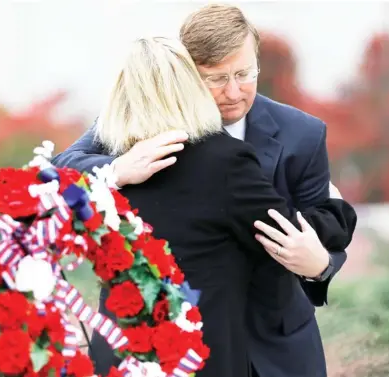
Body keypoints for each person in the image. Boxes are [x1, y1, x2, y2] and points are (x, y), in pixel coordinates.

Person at [52, 5, 350, 377]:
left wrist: (320, 267)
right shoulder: (132, 124)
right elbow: (60, 166)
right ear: (185, 73)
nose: (234, 92)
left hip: (278, 348)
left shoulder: (302, 133)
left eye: (245, 73)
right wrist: (117, 169)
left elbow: (320, 224)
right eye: (216, 78)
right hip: (177, 346)